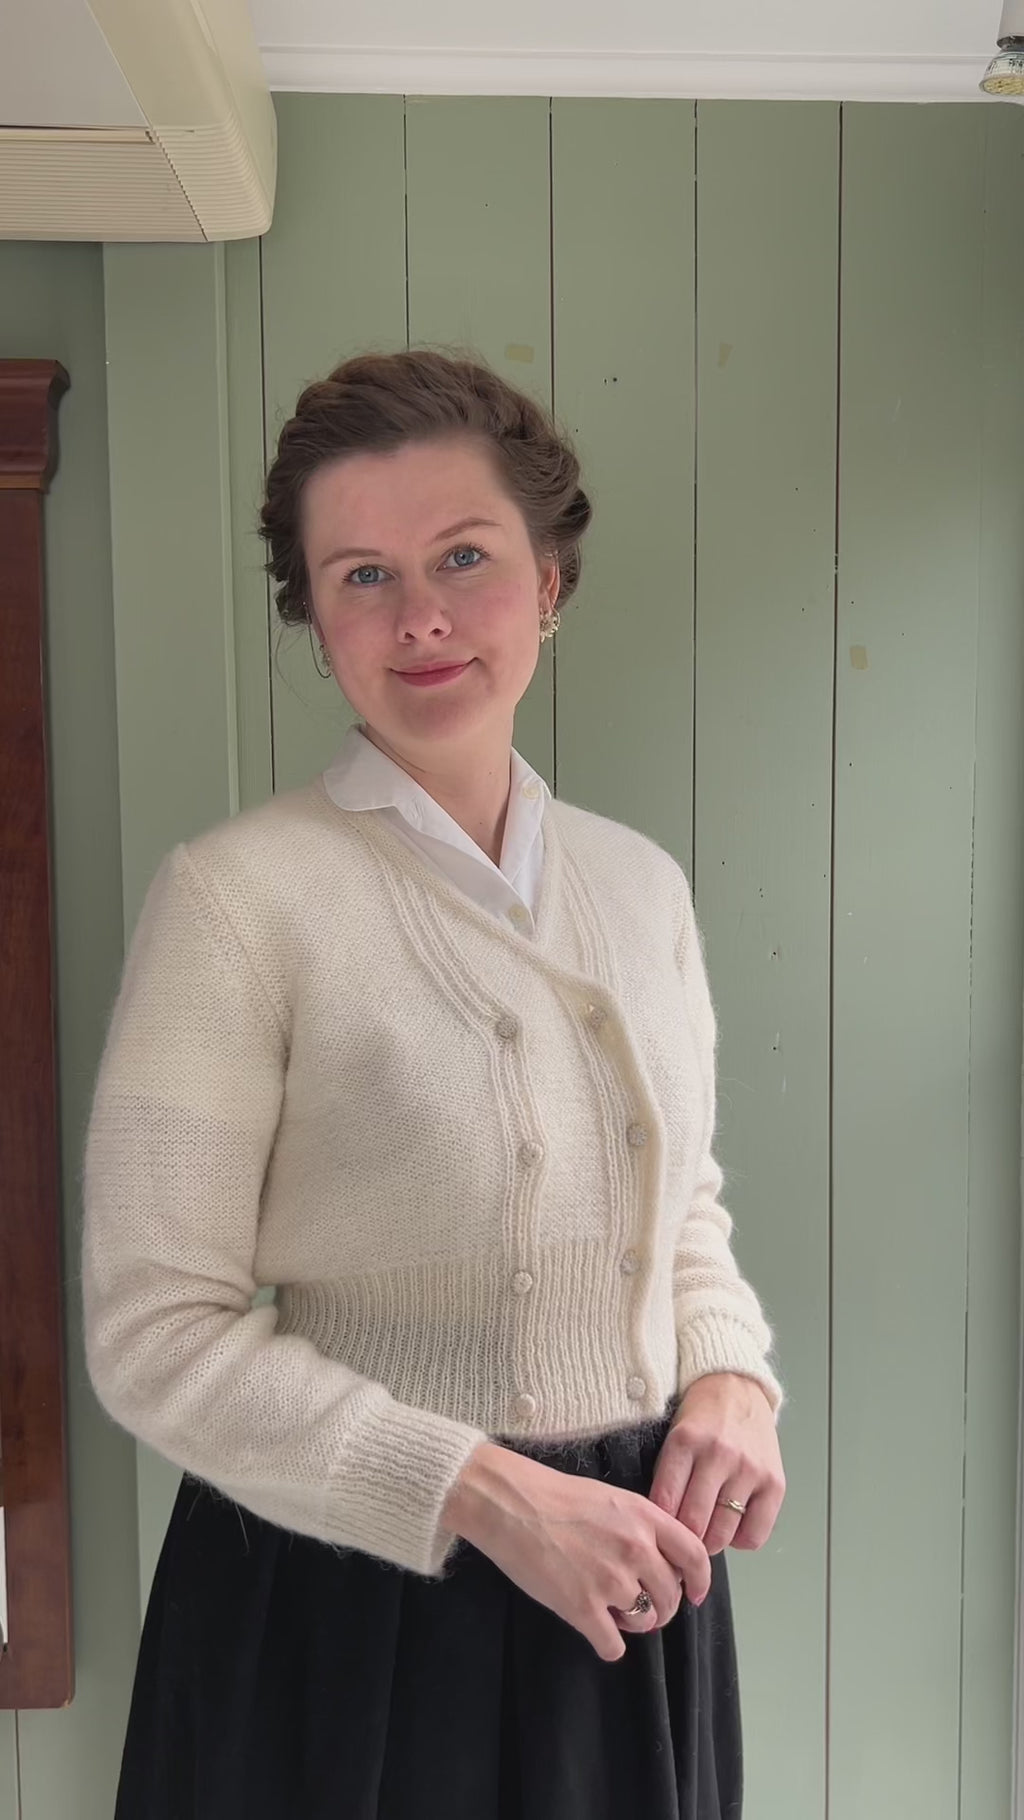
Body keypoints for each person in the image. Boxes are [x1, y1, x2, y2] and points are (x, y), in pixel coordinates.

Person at [82, 347, 785, 1820]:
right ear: (314, 616)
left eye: (464, 556)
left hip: (628, 1588)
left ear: (549, 581)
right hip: (344, 1619)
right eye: (362, 576)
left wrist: (728, 1373)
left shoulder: (640, 887)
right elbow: (155, 1333)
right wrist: (476, 1489)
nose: (419, 617)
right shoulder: (238, 903)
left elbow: (683, 1205)